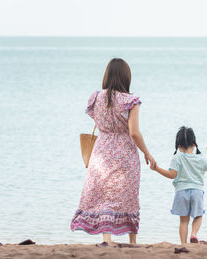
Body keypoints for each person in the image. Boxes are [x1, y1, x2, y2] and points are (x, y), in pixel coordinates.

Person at [70, 58, 156, 245]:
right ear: (126, 77)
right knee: (127, 195)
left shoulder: (96, 97)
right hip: (124, 153)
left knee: (104, 195)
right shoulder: (131, 101)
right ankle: (132, 241)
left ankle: (106, 239)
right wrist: (147, 153)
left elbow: (100, 123)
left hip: (101, 151)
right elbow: (134, 132)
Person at [150, 126, 207, 246]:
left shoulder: (177, 157)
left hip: (181, 192)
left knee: (183, 221)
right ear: (194, 143)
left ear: (178, 145)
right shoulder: (200, 158)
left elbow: (171, 174)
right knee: (198, 215)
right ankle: (193, 234)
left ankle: (183, 244)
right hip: (197, 191)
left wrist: (157, 169)